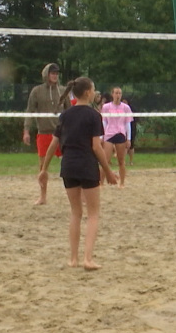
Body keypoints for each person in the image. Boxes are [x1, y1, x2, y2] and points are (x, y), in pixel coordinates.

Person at [39, 77, 117, 270]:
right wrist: (107, 171)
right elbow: (96, 148)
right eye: (94, 89)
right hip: (86, 165)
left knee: (75, 213)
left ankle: (73, 259)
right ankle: (87, 259)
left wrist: (44, 169)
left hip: (68, 166)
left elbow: (53, 145)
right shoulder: (93, 116)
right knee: (93, 214)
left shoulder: (65, 115)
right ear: (88, 92)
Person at [23, 63, 72, 204]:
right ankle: (43, 196)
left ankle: (77, 195)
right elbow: (29, 111)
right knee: (43, 166)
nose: (55, 75)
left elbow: (70, 111)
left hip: (62, 133)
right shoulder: (37, 91)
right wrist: (26, 130)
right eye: (52, 73)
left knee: (70, 164)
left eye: (57, 73)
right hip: (44, 133)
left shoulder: (63, 91)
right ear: (46, 74)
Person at [101, 87, 133, 187]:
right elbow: (104, 122)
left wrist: (128, 138)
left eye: (119, 93)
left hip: (120, 133)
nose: (118, 95)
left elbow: (128, 124)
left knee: (121, 160)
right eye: (116, 93)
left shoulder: (125, 108)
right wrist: (101, 136)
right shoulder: (106, 107)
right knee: (105, 160)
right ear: (112, 94)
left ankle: (122, 183)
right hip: (109, 133)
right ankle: (101, 182)